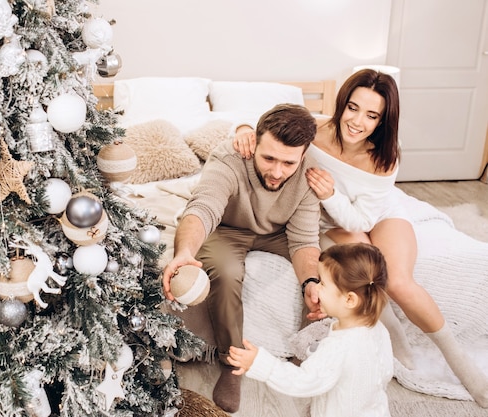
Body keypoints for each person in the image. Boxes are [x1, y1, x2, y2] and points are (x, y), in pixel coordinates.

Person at [232, 68, 488, 408]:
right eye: (352, 108)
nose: (356, 121)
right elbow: (267, 130)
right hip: (332, 224)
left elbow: (363, 219)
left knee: (397, 281)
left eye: (371, 115)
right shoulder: (315, 132)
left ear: (382, 121)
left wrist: (331, 194)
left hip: (375, 214)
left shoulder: (384, 156)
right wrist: (243, 129)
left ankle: (465, 368)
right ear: (342, 104)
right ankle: (396, 341)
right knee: (363, 270)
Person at [162, 103, 324, 413]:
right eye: (269, 158)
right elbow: (204, 208)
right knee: (224, 270)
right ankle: (232, 363)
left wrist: (311, 281)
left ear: (303, 155)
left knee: (327, 273)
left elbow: (304, 240)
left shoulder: (309, 172)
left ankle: (307, 352)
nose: (277, 172)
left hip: (278, 233)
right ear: (256, 140)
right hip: (227, 228)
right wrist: (183, 252)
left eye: (288, 162)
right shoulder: (230, 156)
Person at [228, 243, 393, 417]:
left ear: (350, 300)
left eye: (323, 283)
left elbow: (303, 381)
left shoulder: (338, 347)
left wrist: (260, 363)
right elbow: (384, 372)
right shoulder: (377, 329)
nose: (317, 287)